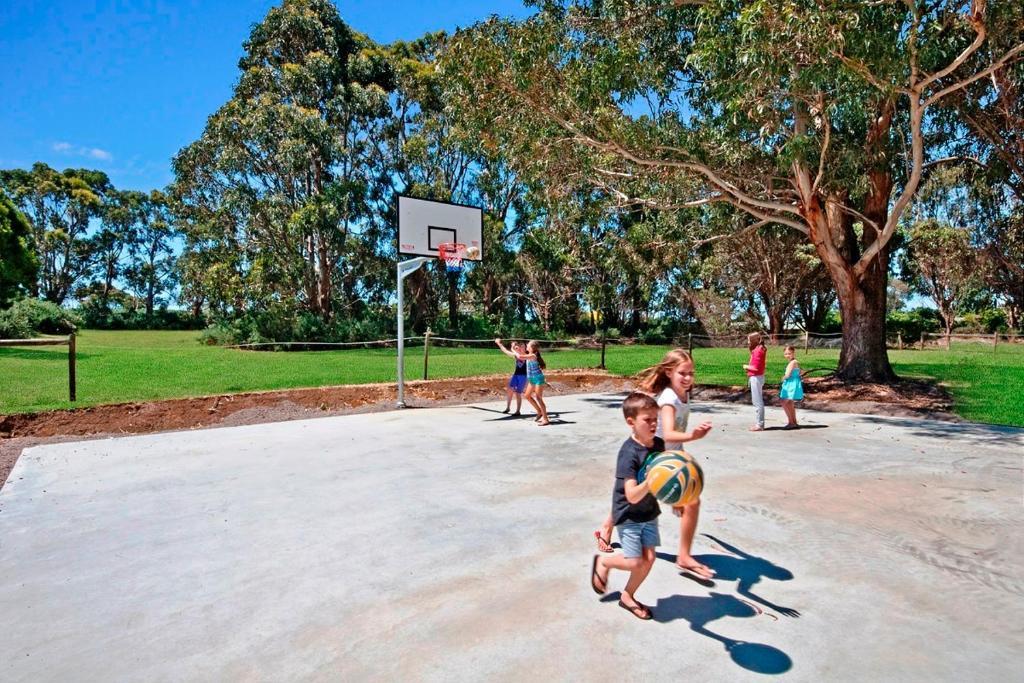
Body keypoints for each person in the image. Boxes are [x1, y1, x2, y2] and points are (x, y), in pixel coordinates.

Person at [594, 348, 716, 580]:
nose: (688, 378)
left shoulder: (683, 394)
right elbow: (669, 433)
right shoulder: (669, 399)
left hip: (671, 457)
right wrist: (694, 436)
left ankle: (607, 529)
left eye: (691, 373)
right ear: (669, 372)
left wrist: (682, 459)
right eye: (683, 373)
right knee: (635, 499)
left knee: (682, 501)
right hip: (655, 457)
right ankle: (683, 555)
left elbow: (673, 438)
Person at [590, 392, 663, 620]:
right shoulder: (628, 453)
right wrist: (651, 480)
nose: (653, 423)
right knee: (634, 561)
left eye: (655, 418)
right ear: (631, 422)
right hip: (629, 513)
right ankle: (604, 561)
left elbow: (666, 476)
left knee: (649, 560)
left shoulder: (659, 445)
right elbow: (631, 494)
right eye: (647, 419)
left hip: (649, 512)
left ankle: (628, 596)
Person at [495, 339, 527, 415]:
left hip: (523, 376)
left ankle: (518, 411)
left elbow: (519, 356)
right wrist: (499, 343)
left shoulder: (526, 356)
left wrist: (513, 348)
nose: (520, 348)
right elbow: (505, 351)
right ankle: (508, 407)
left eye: (522, 346)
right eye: (520, 346)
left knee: (518, 393)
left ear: (526, 348)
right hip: (516, 375)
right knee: (509, 389)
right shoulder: (516, 355)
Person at [743, 332, 767, 432]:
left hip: (756, 377)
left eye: (749, 340)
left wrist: (746, 366)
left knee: (757, 402)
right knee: (757, 401)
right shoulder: (759, 349)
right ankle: (759, 423)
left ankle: (759, 424)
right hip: (758, 377)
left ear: (754, 341)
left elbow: (755, 368)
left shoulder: (757, 351)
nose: (748, 342)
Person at [778, 345, 804, 429]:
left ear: (793, 353)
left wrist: (783, 378)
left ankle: (791, 422)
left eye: (789, 353)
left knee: (784, 401)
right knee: (789, 403)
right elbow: (801, 371)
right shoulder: (795, 362)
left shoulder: (793, 362)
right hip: (792, 382)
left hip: (790, 383)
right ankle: (793, 421)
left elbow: (787, 374)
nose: (787, 355)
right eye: (785, 354)